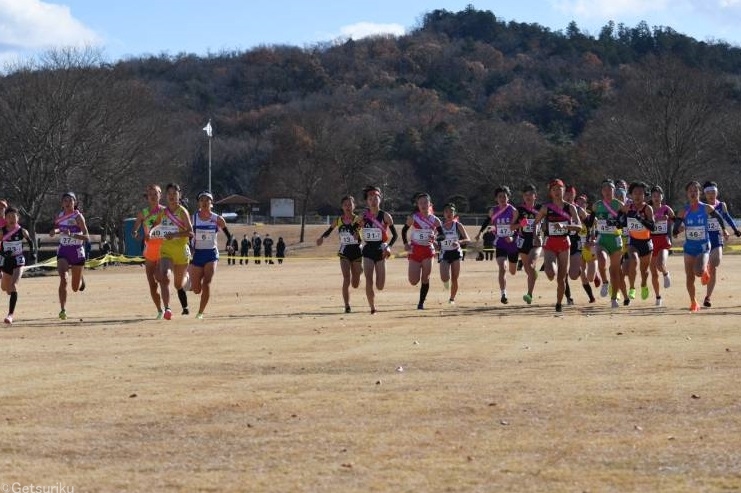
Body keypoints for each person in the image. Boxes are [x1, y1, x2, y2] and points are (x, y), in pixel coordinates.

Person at [672, 181, 729, 312]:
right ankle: (693, 302)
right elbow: (676, 228)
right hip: (689, 248)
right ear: (687, 194)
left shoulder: (706, 208)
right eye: (690, 191)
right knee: (689, 277)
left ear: (699, 193)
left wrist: (724, 229)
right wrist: (676, 231)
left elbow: (719, 217)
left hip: (703, 246)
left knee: (698, 271)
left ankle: (705, 270)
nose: (693, 193)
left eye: (695, 191)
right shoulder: (683, 211)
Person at [531, 179, 582, 312]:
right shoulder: (546, 208)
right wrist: (536, 236)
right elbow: (535, 223)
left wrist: (566, 226)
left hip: (565, 243)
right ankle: (549, 271)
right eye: (554, 190)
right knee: (550, 273)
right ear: (551, 193)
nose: (557, 192)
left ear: (564, 190)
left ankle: (559, 303)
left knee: (562, 278)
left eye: (559, 189)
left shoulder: (570, 208)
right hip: (550, 243)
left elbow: (579, 227)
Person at [317, 195, 363, 313]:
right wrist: (322, 237)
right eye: (345, 205)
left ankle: (357, 273)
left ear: (354, 206)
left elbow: (360, 239)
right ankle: (347, 305)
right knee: (346, 278)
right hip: (344, 252)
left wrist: (357, 237)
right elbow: (329, 230)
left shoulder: (358, 219)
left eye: (350, 204)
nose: (348, 207)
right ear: (342, 207)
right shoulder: (338, 220)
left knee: (355, 283)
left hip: (357, 251)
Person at [153, 183, 193, 320]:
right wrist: (153, 233)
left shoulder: (182, 212)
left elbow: (190, 232)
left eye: (174, 194)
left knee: (178, 284)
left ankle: (187, 278)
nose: (171, 197)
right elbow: (155, 226)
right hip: (166, 251)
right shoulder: (163, 213)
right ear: (165, 196)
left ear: (179, 195)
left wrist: (174, 235)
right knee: (165, 277)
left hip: (181, 251)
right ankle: (167, 309)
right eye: (169, 194)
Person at [189, 191, 231, 319]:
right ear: (199, 203)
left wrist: (229, 244)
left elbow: (229, 235)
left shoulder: (216, 219)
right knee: (196, 289)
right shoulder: (193, 218)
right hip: (197, 255)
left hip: (211, 254)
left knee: (207, 283)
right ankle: (194, 283)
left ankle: (200, 312)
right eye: (202, 200)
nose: (205, 202)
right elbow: (187, 233)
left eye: (207, 200)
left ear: (211, 203)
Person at [49, 192, 89, 320]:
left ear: (75, 203)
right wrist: (53, 231)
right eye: (65, 200)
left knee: (75, 288)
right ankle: (62, 310)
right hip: (63, 251)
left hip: (77, 251)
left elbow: (87, 237)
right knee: (63, 279)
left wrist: (72, 234)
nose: (67, 202)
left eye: (70, 200)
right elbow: (59, 229)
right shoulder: (60, 216)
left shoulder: (78, 217)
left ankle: (80, 277)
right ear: (62, 203)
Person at [590, 180, 629, 308]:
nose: (608, 192)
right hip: (602, 239)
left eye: (610, 189)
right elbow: (590, 223)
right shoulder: (597, 206)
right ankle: (605, 282)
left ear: (614, 191)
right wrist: (591, 236)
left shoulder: (619, 205)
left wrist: (617, 222)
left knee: (615, 271)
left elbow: (625, 222)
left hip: (615, 239)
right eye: (605, 189)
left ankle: (614, 299)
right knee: (601, 259)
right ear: (602, 191)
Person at [701, 181, 741, 307]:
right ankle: (708, 293)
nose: (711, 195)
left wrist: (735, 230)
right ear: (705, 194)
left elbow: (727, 218)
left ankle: (708, 297)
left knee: (715, 264)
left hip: (717, 239)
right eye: (708, 193)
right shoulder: (703, 207)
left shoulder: (721, 205)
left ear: (717, 193)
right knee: (706, 267)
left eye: (713, 192)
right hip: (704, 240)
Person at [476, 186, 518, 304]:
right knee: (502, 268)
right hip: (500, 243)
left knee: (513, 271)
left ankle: (516, 265)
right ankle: (503, 294)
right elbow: (486, 221)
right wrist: (480, 232)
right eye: (500, 196)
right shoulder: (493, 211)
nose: (502, 199)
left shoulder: (513, 211)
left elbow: (519, 227)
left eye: (504, 196)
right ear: (496, 198)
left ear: (508, 198)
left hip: (512, 243)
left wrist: (512, 237)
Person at [402, 192, 443, 310]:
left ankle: (421, 303)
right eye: (421, 203)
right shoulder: (413, 218)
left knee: (426, 277)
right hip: (415, 251)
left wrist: (436, 241)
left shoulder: (435, 220)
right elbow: (404, 231)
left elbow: (442, 235)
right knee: (413, 281)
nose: (423, 205)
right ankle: (420, 299)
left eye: (426, 202)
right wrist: (405, 244)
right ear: (418, 205)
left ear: (430, 204)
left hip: (428, 251)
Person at [360, 185, 398, 314]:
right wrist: (357, 237)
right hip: (368, 251)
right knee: (368, 279)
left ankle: (374, 301)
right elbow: (354, 230)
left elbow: (395, 235)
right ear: (367, 201)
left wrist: (388, 246)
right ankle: (372, 307)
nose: (373, 200)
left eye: (376, 197)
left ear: (380, 199)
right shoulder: (363, 216)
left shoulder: (385, 216)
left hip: (381, 250)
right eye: (370, 198)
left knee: (380, 285)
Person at [132, 184, 166, 318]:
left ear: (160, 196)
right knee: (152, 284)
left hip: (163, 250)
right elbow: (135, 228)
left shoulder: (165, 211)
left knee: (159, 276)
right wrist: (135, 232)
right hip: (149, 251)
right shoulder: (143, 213)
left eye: (155, 194)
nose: (152, 196)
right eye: (150, 194)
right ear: (147, 197)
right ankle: (159, 310)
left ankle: (167, 304)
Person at [620, 182, 655, 303]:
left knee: (644, 271)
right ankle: (632, 288)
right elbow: (620, 216)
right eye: (635, 193)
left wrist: (640, 219)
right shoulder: (627, 207)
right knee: (633, 261)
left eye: (640, 193)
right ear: (631, 195)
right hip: (633, 242)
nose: (638, 196)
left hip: (646, 243)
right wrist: (620, 221)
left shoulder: (647, 208)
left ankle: (644, 284)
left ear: (644, 195)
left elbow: (653, 227)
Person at [1, 207, 35, 324]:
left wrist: (33, 253)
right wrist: (4, 253)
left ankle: (10, 315)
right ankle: (10, 291)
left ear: (18, 218)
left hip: (18, 260)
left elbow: (30, 242)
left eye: (14, 216)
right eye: (9, 216)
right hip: (6, 261)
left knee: (13, 285)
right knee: (5, 288)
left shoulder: (22, 231)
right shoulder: (2, 231)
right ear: (5, 218)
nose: (11, 219)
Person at [511, 184, 543, 305]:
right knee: (528, 269)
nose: (528, 197)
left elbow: (547, 224)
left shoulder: (541, 208)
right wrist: (521, 225)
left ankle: (529, 294)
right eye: (525, 195)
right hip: (523, 241)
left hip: (536, 241)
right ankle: (533, 275)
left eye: (530, 194)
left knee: (531, 263)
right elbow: (511, 226)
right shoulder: (519, 210)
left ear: (535, 196)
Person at [438, 203, 470, 304]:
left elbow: (468, 239)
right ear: (443, 214)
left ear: (454, 213)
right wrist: (434, 242)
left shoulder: (458, 225)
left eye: (451, 211)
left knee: (455, 278)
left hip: (456, 253)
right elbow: (433, 238)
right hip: (444, 253)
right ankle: (446, 284)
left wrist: (459, 242)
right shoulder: (440, 226)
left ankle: (452, 298)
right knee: (444, 277)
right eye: (446, 211)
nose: (449, 213)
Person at [649, 186, 675, 306]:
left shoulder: (666, 208)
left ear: (662, 197)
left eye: (658, 195)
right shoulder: (648, 209)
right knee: (653, 273)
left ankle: (665, 273)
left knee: (660, 264)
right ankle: (658, 297)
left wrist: (669, 219)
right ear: (651, 197)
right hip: (650, 243)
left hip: (663, 241)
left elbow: (676, 220)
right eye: (654, 195)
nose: (656, 198)